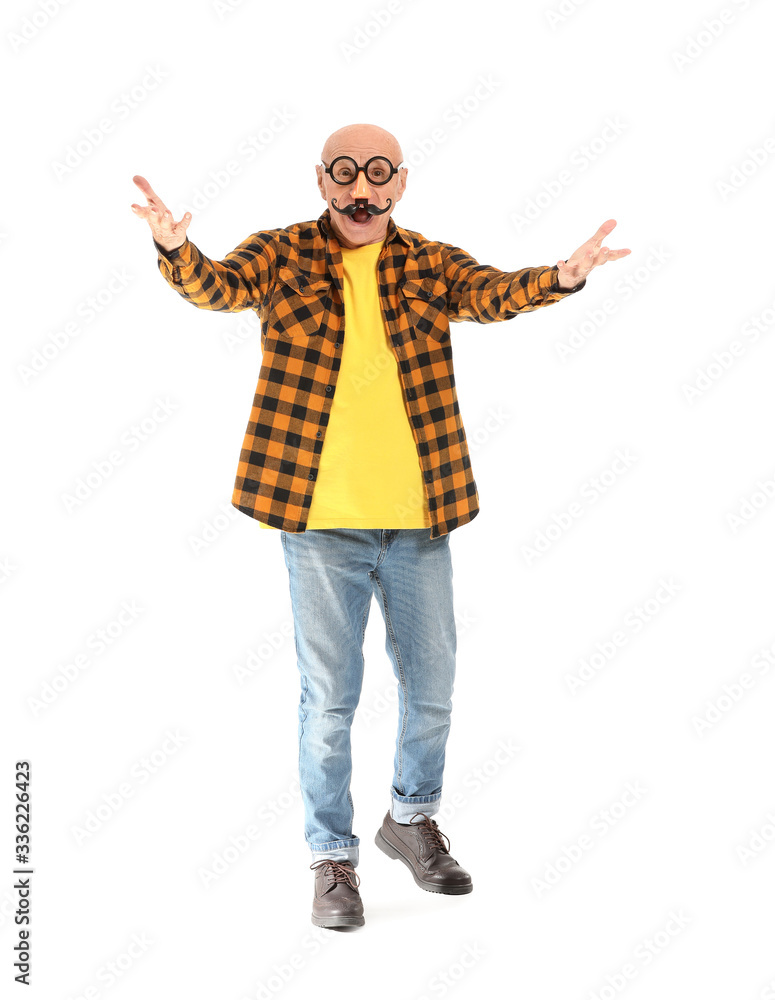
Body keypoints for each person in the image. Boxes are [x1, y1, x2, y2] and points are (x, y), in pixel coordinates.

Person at [131, 122, 630, 930]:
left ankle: (409, 819)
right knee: (330, 700)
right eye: (344, 175)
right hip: (319, 524)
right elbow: (215, 286)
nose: (361, 191)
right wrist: (174, 249)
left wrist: (563, 276)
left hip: (418, 522)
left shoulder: (428, 263)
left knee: (430, 690)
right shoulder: (281, 253)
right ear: (321, 182)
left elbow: (491, 292)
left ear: (399, 183)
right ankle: (332, 859)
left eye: (377, 176)